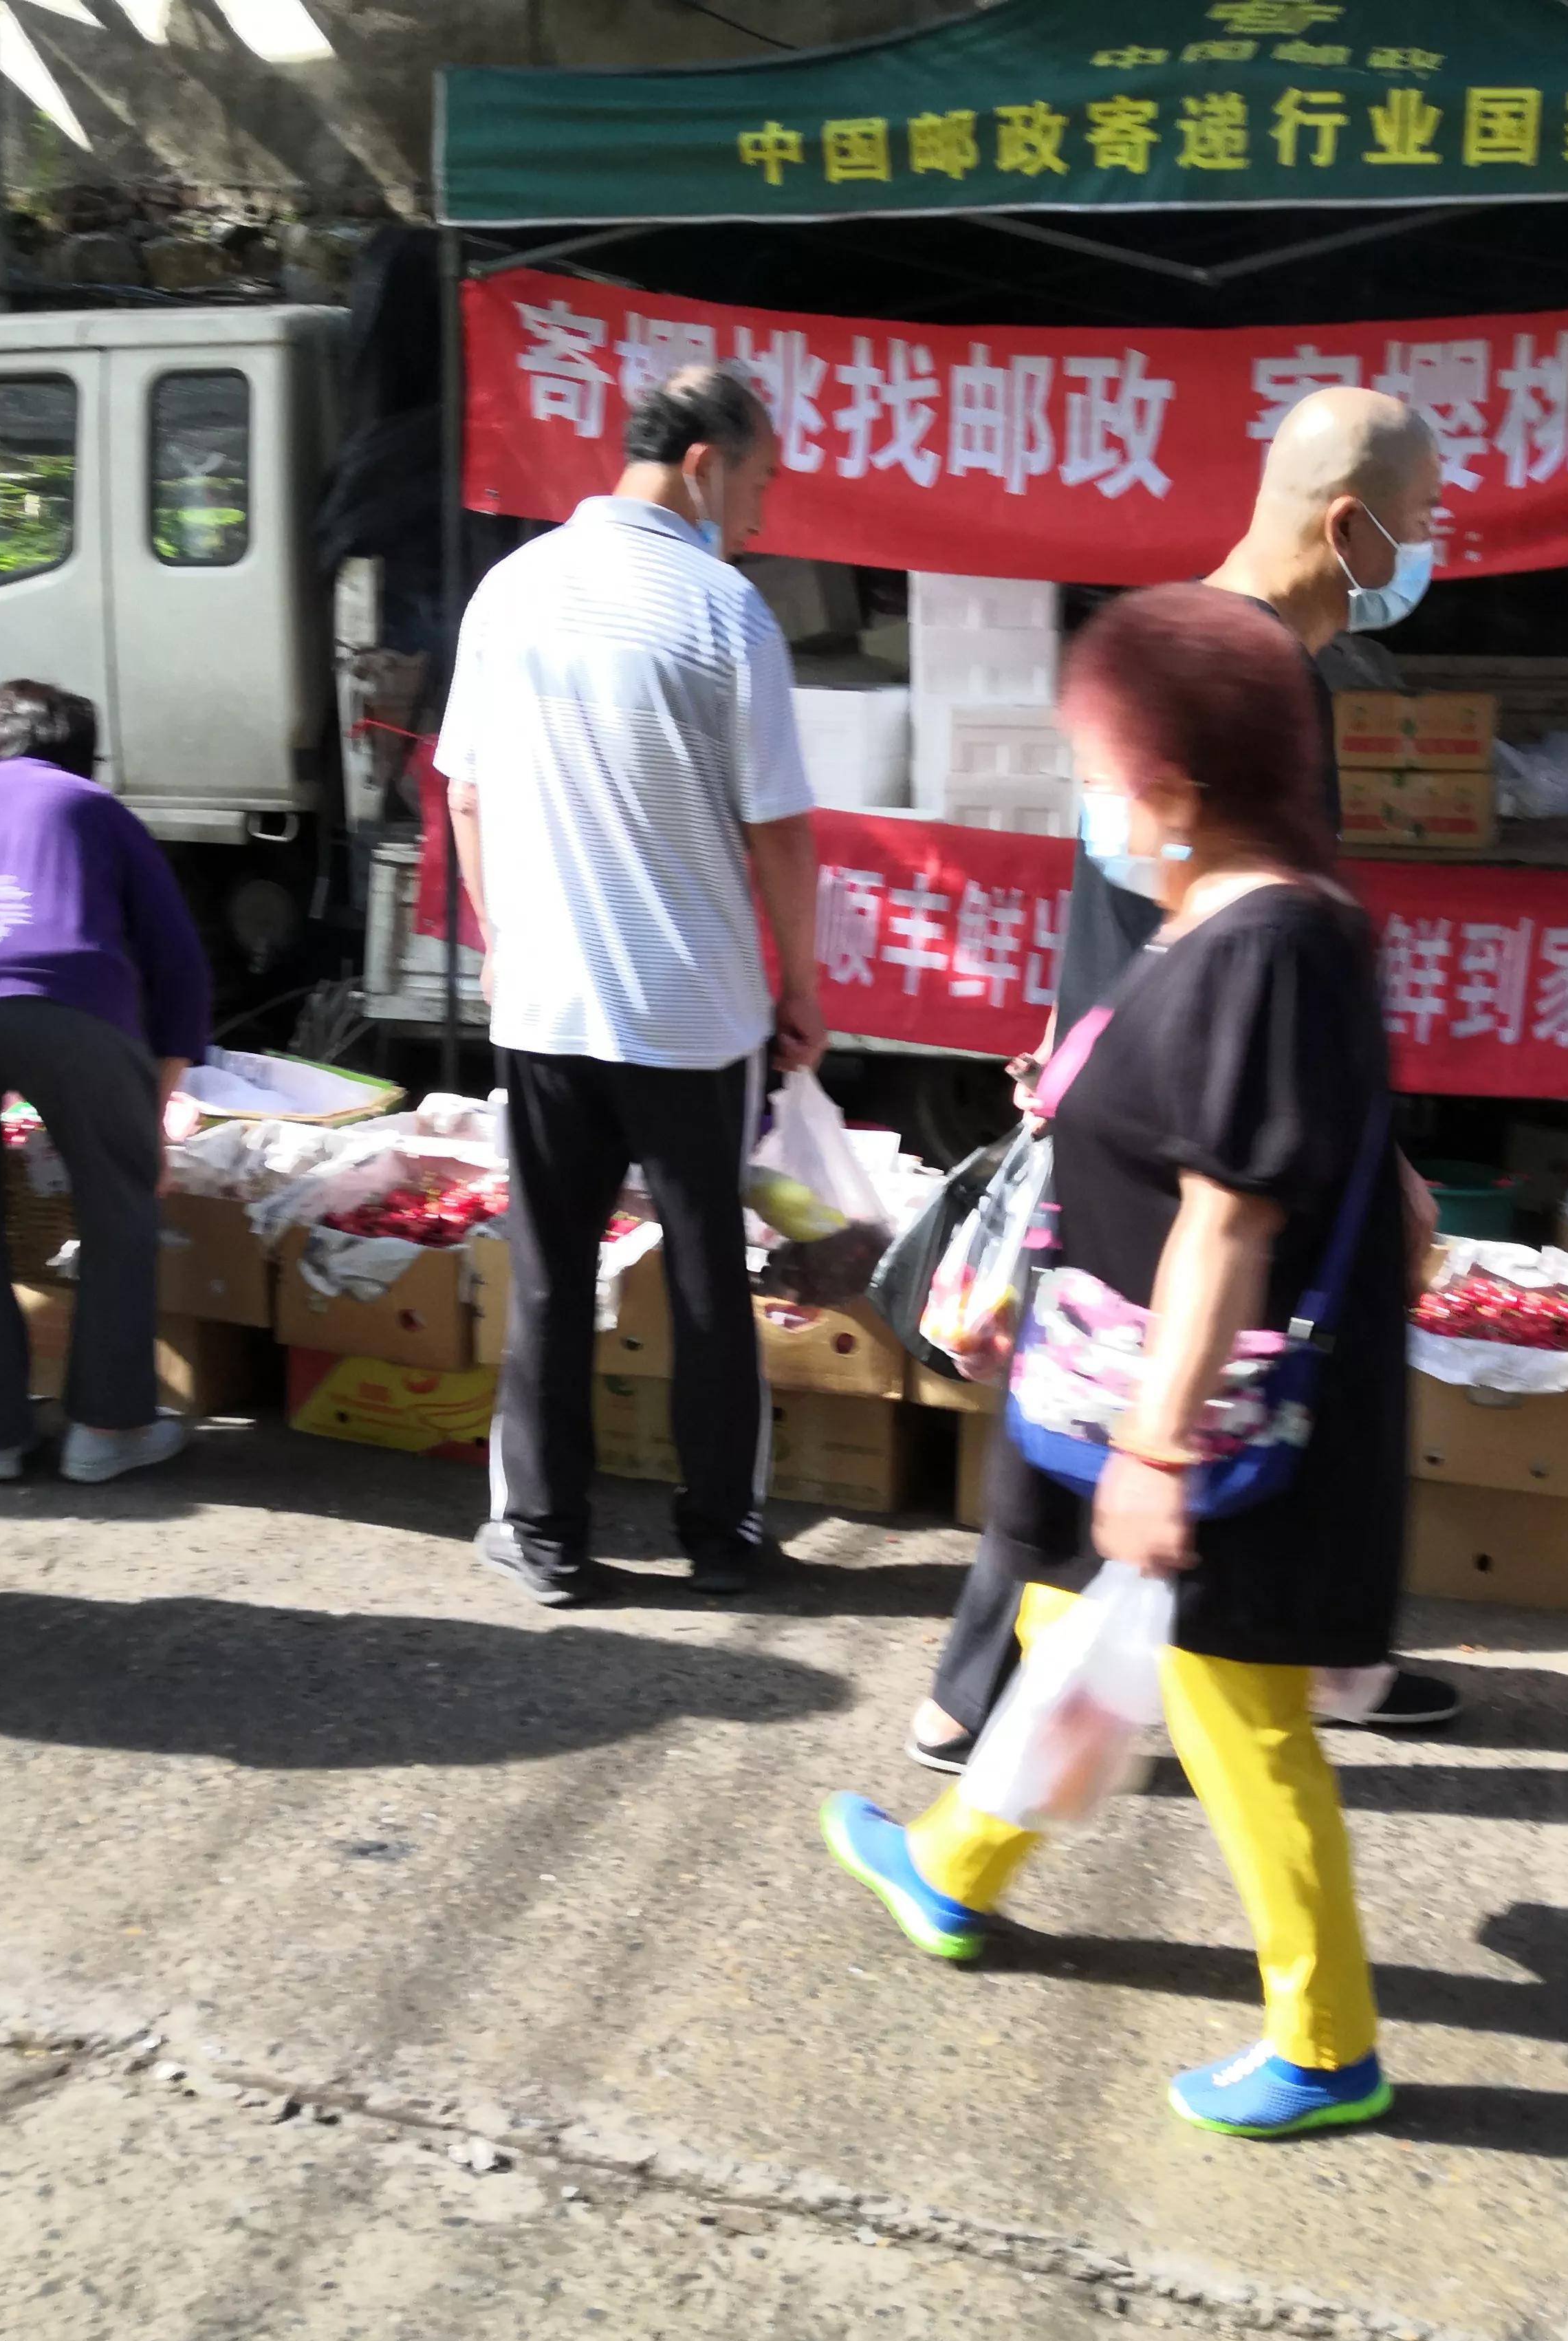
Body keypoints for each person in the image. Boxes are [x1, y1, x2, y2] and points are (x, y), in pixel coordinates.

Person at [821, 586, 1403, 2139]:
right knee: (1083, 1648)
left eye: (1096, 765)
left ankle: (1329, 2043)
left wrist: (1157, 1453)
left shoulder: (1268, 941)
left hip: (1203, 1430)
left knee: (1244, 1726)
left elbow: (1232, 1215)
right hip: (1131, 1391)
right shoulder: (1218, 917)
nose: (1084, 797)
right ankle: (952, 1872)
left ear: (1183, 784)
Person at [907, 385, 1457, 1771]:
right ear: (1348, 528)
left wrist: (1065, 1036)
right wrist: (1370, 1160)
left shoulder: (1175, 648)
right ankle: (1275, 1681)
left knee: (1093, 1409)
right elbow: (1243, 948)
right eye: (1421, 519)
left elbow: (1118, 897)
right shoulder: (1256, 688)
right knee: (1185, 1413)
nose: (1435, 543)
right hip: (1187, 1128)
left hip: (1123, 1102)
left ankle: (991, 1707)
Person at [438, 362, 826, 1606]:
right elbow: (777, 829)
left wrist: (498, 931)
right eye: (757, 482)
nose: (759, 515)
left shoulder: (509, 590)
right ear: (706, 463)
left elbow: (464, 787)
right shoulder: (723, 610)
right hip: (691, 1012)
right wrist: (802, 981)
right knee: (708, 1278)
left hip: (544, 1004)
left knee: (551, 1272)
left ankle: (545, 1537)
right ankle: (719, 1535)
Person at [0, 680, 210, 1485]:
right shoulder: (95, 806)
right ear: (84, 760)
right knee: (118, 1212)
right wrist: (149, 1119)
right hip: (71, 1002)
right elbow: (179, 965)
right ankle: (106, 1430)